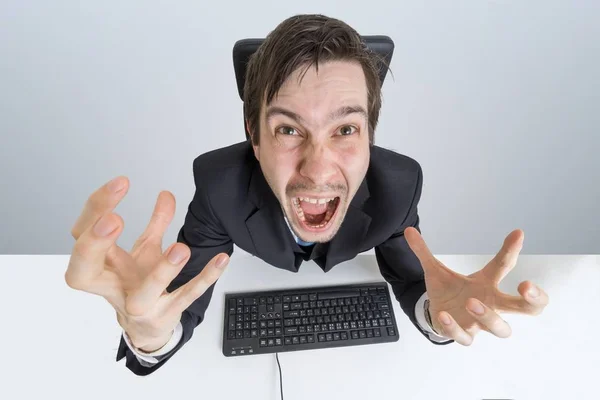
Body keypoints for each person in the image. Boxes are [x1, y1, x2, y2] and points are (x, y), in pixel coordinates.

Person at [65, 14, 549, 376]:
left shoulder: (398, 186)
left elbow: (415, 279)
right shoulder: (219, 184)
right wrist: (149, 337)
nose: (318, 169)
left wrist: (438, 318)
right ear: (254, 137)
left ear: (370, 137)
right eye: (288, 130)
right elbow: (180, 295)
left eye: (345, 128)